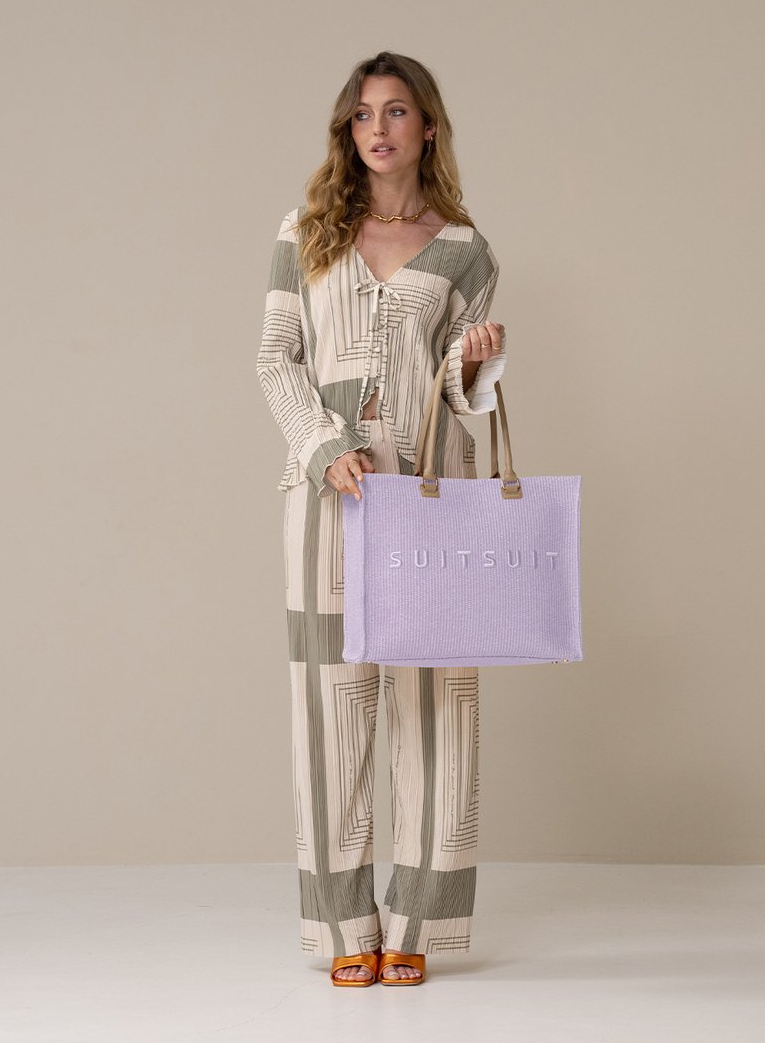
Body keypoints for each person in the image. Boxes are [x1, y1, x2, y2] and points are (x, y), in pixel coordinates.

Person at [255, 50, 507, 987]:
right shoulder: (305, 231)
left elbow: (459, 393)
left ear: (427, 127)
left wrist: (474, 362)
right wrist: (324, 446)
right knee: (329, 706)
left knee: (436, 706)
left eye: (396, 111)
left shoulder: (466, 250)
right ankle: (343, 927)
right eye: (363, 114)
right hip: (329, 496)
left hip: (430, 498)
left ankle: (418, 922)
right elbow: (276, 358)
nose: (378, 128)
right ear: (347, 130)